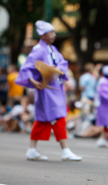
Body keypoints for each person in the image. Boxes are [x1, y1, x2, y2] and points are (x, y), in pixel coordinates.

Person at [15, 20, 82, 161]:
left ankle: (32, 149)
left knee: (42, 120)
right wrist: (33, 81)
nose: (54, 35)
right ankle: (65, 150)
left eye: (53, 32)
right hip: (46, 89)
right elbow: (27, 67)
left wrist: (61, 74)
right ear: (43, 35)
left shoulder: (53, 49)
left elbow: (62, 63)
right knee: (58, 117)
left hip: (56, 88)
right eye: (50, 32)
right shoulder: (38, 49)